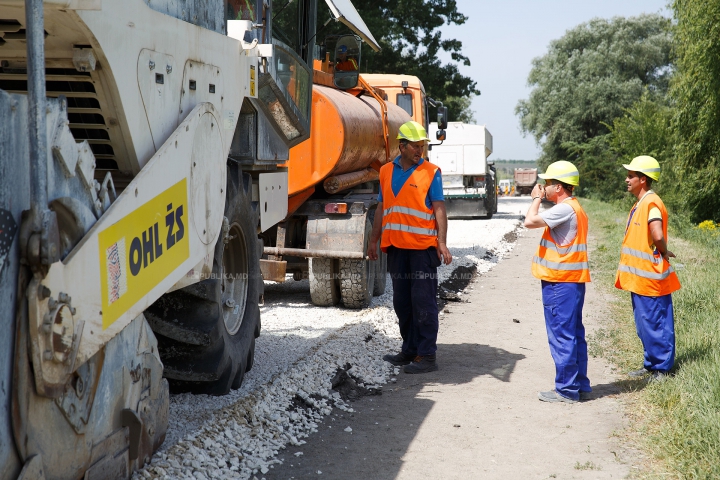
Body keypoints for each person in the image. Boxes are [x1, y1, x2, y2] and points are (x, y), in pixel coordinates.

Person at [368, 121, 452, 374]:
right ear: (401, 146)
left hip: (422, 250)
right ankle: (410, 350)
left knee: (423, 302)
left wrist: (442, 242)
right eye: (415, 146)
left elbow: (439, 209)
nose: (420, 151)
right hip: (395, 248)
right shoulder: (385, 172)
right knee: (402, 302)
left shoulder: (431, 172)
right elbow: (382, 208)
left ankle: (427, 356)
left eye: (423, 146)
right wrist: (373, 240)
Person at [524, 161, 591, 403]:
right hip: (571, 282)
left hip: (559, 283)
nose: (544, 187)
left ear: (559, 187)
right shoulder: (576, 208)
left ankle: (566, 390)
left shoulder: (564, 209)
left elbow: (529, 222)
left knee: (562, 336)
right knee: (573, 334)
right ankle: (579, 385)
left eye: (548, 184)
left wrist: (536, 199)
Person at [615, 156, 681, 382]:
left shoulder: (651, 203)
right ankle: (651, 364)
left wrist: (663, 250)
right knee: (646, 323)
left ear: (643, 179)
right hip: (640, 277)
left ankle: (662, 369)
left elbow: (657, 234)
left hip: (650, 276)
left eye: (631, 176)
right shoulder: (641, 203)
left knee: (656, 322)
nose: (627, 180)